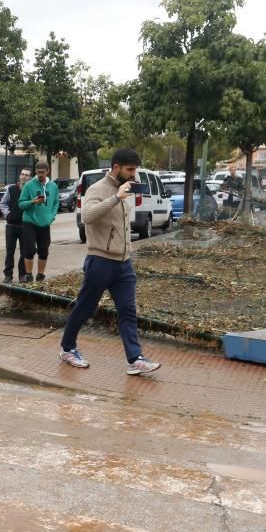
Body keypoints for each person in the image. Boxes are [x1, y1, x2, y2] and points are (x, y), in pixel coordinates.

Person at [58, 148, 161, 376]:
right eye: (130, 169)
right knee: (85, 308)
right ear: (116, 168)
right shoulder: (98, 189)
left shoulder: (126, 189)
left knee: (128, 311)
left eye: (135, 169)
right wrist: (116, 198)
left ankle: (134, 360)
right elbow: (87, 216)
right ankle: (67, 348)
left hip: (124, 264)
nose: (134, 174)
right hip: (101, 262)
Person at [17, 160, 58, 283]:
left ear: (47, 171)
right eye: (38, 172)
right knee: (29, 250)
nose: (40, 175)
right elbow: (21, 204)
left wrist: (52, 216)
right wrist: (32, 202)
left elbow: (56, 203)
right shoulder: (29, 185)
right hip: (30, 221)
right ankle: (28, 275)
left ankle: (40, 275)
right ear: (35, 172)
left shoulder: (53, 186)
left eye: (42, 172)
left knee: (44, 250)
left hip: (45, 223)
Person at [0, 169, 31, 283]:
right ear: (19, 176)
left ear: (30, 178)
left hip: (25, 226)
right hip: (11, 226)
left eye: (27, 175)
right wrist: (8, 214)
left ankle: (22, 275)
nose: (24, 177)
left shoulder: (31, 191)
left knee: (24, 252)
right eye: (22, 174)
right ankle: (8, 275)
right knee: (9, 252)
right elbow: (3, 203)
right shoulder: (11, 189)